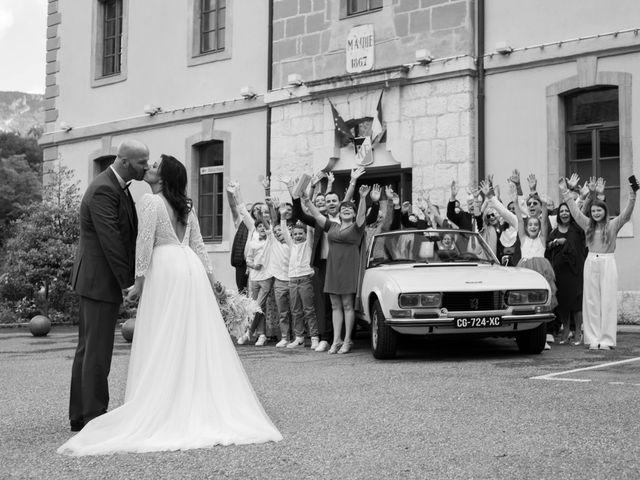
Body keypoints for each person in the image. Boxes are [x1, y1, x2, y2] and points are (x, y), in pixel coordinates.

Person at [58, 155, 282, 455]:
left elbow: (144, 243)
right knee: (189, 336)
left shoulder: (151, 203)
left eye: (154, 167)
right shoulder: (187, 206)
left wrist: (137, 282)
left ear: (162, 178)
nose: (148, 168)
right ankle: (190, 399)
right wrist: (213, 282)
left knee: (163, 335)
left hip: (165, 270)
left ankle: (164, 401)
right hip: (190, 271)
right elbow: (199, 246)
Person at [67, 139, 149, 433]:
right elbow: (111, 240)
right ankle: (93, 415)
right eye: (143, 162)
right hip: (98, 281)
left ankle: (81, 414)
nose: (147, 167)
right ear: (125, 162)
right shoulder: (104, 188)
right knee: (96, 351)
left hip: (96, 280)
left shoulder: (117, 186)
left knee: (89, 349)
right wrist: (128, 283)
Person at [559, 175, 637, 350]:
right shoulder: (587, 225)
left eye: (598, 210)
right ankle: (593, 338)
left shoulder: (613, 224)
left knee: (607, 301)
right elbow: (575, 212)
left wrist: (633, 194)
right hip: (591, 262)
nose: (595, 213)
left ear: (604, 211)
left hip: (607, 262)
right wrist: (565, 192)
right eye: (593, 211)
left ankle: (607, 340)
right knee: (591, 301)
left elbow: (627, 213)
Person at [302, 185, 369, 354]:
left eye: (349, 209)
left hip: (348, 268)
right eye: (343, 208)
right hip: (332, 268)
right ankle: (337, 339)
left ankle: (347, 340)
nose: (346, 210)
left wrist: (362, 198)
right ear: (339, 213)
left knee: (347, 305)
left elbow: (361, 216)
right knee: (334, 305)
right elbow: (316, 215)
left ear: (353, 214)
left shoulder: (357, 227)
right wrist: (307, 200)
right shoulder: (332, 226)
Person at [546, 202, 587, 345]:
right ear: (559, 214)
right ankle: (566, 330)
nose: (564, 213)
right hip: (560, 272)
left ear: (571, 213)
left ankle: (578, 332)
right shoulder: (554, 232)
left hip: (575, 271)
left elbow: (581, 248)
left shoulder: (577, 229)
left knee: (576, 303)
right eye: (562, 211)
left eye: (567, 211)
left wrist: (565, 242)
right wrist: (557, 241)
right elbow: (548, 247)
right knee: (562, 303)